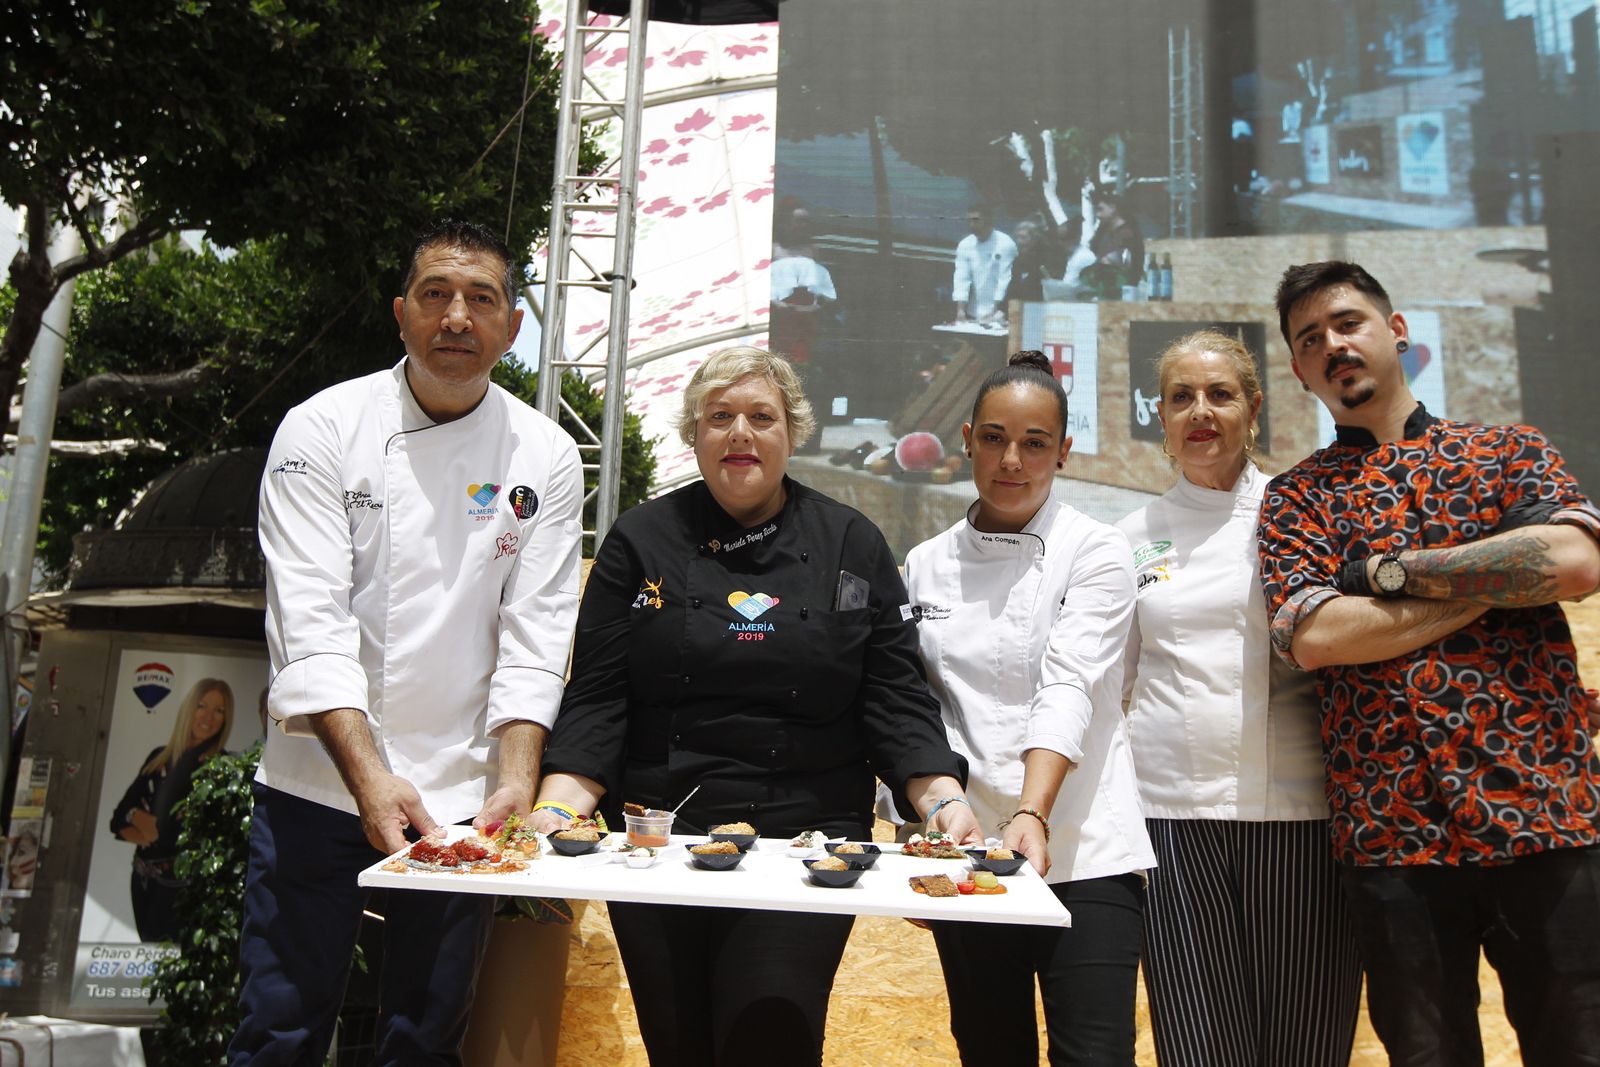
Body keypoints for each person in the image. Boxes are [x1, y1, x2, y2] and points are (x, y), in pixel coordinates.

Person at [534, 345, 977, 1066]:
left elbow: (895, 697)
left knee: (769, 1036)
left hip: (806, 842)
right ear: (694, 434)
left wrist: (942, 801)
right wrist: (556, 811)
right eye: (720, 417)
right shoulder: (640, 541)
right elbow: (597, 698)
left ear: (792, 433)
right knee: (679, 1048)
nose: (740, 432)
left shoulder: (850, 544)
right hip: (658, 836)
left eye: (761, 417)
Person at [229, 219, 584, 1066]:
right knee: (279, 1030)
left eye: (481, 298)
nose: (456, 316)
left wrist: (515, 779)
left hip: (460, 795)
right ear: (401, 314)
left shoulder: (546, 452)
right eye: (435, 294)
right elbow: (310, 621)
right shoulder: (322, 428)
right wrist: (368, 778)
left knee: (425, 1039)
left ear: (513, 326)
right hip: (316, 785)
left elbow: (535, 634)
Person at [1259, 260, 1600, 1066]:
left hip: (1542, 808)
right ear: (1300, 370)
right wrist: (1494, 577)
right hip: (1392, 834)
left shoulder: (1506, 450)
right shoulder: (1297, 497)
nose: (1333, 344)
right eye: (1310, 339)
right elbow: (1318, 635)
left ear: (1396, 329)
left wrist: (1387, 573)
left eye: (1348, 323)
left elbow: (1574, 562)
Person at [1115, 331, 1361, 1067]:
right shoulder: (1131, 537)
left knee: (1306, 1044)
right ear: (1159, 415)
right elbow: (1113, 684)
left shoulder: (1303, 517)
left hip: (1298, 815)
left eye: (1220, 394)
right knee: (1198, 1045)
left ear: (1254, 408)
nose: (1201, 411)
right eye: (1181, 397)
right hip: (1170, 823)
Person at [903, 349, 1154, 1065]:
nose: (1011, 460)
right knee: (989, 1049)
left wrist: (1034, 812)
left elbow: (1068, 683)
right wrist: (921, 831)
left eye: (1035, 443)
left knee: (1095, 1054)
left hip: (1084, 843)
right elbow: (916, 709)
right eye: (994, 438)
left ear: (1063, 451)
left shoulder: (1096, 550)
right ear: (967, 439)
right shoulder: (925, 563)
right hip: (969, 844)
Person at [109, 677, 235, 942]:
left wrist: (142, 821)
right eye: (202, 706)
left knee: (166, 955)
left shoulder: (220, 767)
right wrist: (137, 817)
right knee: (148, 953)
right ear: (189, 708)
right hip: (142, 880)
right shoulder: (159, 758)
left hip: (181, 887)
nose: (208, 717)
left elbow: (167, 834)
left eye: (219, 711)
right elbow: (118, 819)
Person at [951, 204, 1017, 324]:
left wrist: (994, 311)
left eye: (976, 220)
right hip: (972, 313)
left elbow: (1004, 280)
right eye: (969, 221)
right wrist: (960, 311)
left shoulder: (1006, 243)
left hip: (1000, 312)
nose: (972, 225)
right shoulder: (965, 244)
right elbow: (961, 278)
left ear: (988, 220)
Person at [1083, 187, 1143, 300]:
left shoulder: (1127, 234)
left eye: (1101, 209)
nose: (1098, 214)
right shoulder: (1104, 231)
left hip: (1121, 291)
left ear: (1113, 208)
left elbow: (1118, 264)